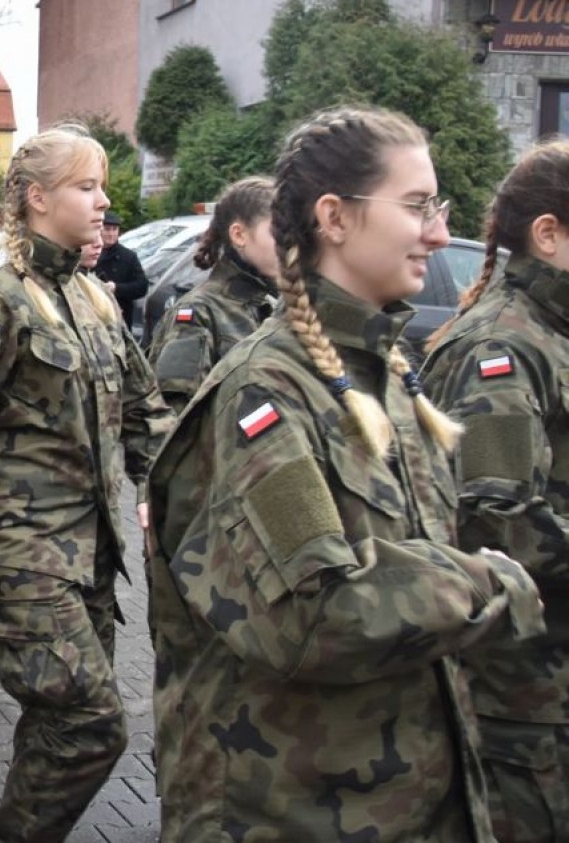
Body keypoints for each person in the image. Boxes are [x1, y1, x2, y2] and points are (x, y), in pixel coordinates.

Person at [148, 107, 544, 840]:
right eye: (418, 205)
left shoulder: (381, 374)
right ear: (334, 216)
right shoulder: (267, 394)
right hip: (295, 806)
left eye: (440, 207)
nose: (436, 230)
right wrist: (486, 581)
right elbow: (318, 609)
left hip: (392, 793)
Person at [0, 128, 171, 842]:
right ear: (39, 197)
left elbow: (146, 410)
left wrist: (170, 486)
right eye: (87, 186)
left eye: (101, 186)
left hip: (91, 554)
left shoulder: (94, 299)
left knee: (57, 720)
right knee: (93, 722)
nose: (104, 200)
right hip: (19, 554)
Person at [422, 141, 569, 843]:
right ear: (548, 233)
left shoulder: (551, 334)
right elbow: (498, 519)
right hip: (524, 694)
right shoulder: (504, 348)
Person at [147, 176, 279, 414]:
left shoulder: (272, 306)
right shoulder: (199, 313)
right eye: (277, 232)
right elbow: (172, 418)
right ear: (239, 235)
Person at [93, 210, 149, 330]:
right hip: (93, 316)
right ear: (99, 229)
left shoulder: (128, 257)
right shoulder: (90, 253)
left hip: (120, 319)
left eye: (114, 229)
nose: (111, 233)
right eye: (107, 229)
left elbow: (142, 286)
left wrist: (117, 288)